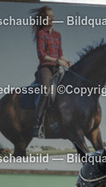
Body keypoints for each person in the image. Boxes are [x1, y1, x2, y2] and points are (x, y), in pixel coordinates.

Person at [32, 6, 71, 138]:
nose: (52, 19)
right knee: (45, 92)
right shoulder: (41, 34)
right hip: (45, 68)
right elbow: (42, 55)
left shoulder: (57, 35)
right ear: (43, 19)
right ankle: (37, 124)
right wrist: (57, 61)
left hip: (57, 68)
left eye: (53, 16)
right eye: (49, 16)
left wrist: (67, 61)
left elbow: (61, 54)